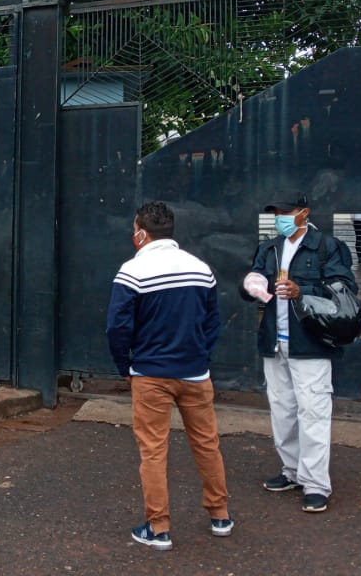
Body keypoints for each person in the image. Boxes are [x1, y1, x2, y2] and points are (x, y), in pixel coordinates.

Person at [105, 203, 230, 551]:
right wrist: (201, 356)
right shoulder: (200, 269)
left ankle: (158, 527)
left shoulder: (132, 271)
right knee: (207, 444)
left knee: (154, 450)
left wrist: (125, 367)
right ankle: (220, 515)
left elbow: (117, 327)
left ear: (141, 231)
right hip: (195, 372)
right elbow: (212, 323)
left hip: (150, 374)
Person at [244, 192, 356, 514]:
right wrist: (250, 285)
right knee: (282, 411)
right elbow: (252, 283)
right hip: (275, 343)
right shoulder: (269, 248)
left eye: (285, 211)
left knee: (313, 412)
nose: (280, 216)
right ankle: (291, 471)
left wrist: (301, 291)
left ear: (304, 212)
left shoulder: (326, 247)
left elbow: (344, 289)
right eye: (275, 212)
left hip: (310, 344)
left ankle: (316, 483)